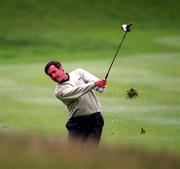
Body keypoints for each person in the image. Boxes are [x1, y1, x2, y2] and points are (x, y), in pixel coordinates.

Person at [44, 61, 107, 146]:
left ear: (61, 69)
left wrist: (100, 85)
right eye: (50, 75)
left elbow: (95, 81)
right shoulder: (59, 92)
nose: (53, 76)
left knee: (91, 152)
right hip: (77, 124)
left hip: (95, 120)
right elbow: (78, 91)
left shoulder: (79, 73)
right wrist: (94, 84)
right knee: (74, 155)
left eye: (54, 72)